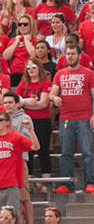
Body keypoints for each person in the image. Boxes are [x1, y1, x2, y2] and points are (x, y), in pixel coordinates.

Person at [50, 45, 94, 193]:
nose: (70, 56)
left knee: (87, 152)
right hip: (66, 118)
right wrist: (55, 97)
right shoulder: (60, 74)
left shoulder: (88, 73)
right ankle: (67, 184)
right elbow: (51, 94)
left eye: (73, 53)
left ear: (80, 56)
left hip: (84, 117)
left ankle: (90, 183)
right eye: (68, 53)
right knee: (66, 153)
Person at [0, 111, 40, 223]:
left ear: (7, 122)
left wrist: (31, 130)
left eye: (0, 120)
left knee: (14, 214)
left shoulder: (16, 137)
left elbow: (35, 146)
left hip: (12, 182)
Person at [15, 57, 53, 180]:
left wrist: (25, 104)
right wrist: (27, 102)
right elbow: (17, 101)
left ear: (39, 68)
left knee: (43, 151)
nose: (30, 69)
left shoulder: (46, 83)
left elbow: (43, 104)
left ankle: (46, 181)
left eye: (33, 67)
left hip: (42, 120)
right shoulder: (23, 84)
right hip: (26, 121)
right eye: (28, 67)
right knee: (28, 150)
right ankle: (29, 179)